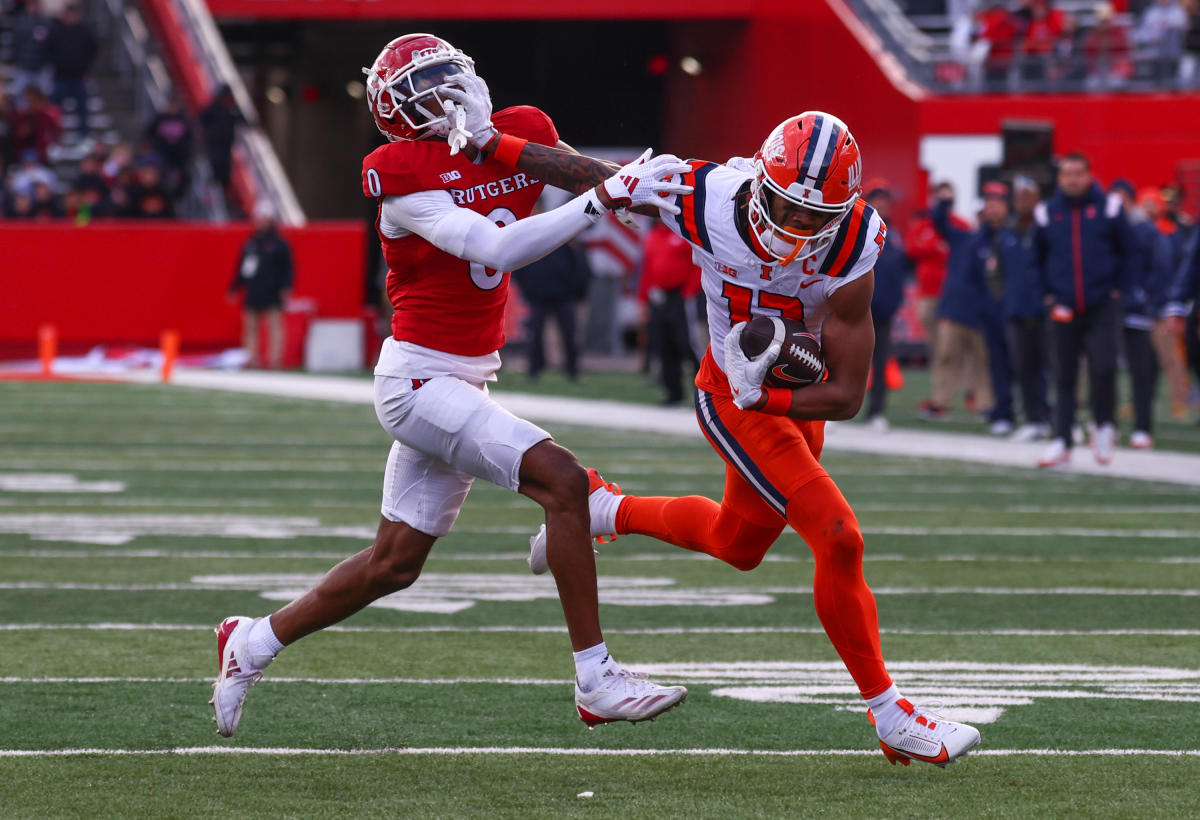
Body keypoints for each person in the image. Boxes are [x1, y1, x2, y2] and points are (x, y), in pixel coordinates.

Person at [209, 34, 692, 738]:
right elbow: (495, 246)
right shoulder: (400, 175)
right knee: (562, 481)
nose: (450, 96)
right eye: (429, 87)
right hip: (420, 379)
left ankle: (251, 642)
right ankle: (597, 678)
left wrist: (619, 184)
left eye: (452, 78)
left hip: (466, 376)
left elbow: (574, 173)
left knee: (393, 566)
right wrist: (601, 202)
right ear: (398, 111)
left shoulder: (515, 133)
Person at [500, 110, 982, 767]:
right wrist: (485, 144)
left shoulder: (855, 244)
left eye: (817, 218)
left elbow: (846, 395)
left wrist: (774, 396)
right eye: (787, 208)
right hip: (729, 396)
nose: (798, 229)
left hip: (789, 398)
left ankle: (607, 508)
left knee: (738, 544)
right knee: (838, 536)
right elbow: (592, 176)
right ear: (758, 183)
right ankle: (891, 715)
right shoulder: (706, 198)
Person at [1035, 153, 1137, 467]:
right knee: (1064, 375)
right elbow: (1037, 258)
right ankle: (1061, 440)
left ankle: (1104, 426)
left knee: (1104, 367)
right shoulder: (1047, 212)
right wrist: (1048, 293)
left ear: (1090, 175)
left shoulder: (1110, 207)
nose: (1072, 179)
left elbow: (1130, 252)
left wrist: (1121, 291)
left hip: (1103, 303)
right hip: (1064, 305)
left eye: (1078, 173)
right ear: (1060, 177)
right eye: (1066, 174)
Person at [919, 185, 993, 422]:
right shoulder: (964, 238)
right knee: (945, 356)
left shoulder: (999, 242)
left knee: (982, 360)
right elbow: (940, 223)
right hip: (954, 309)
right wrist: (944, 202)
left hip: (982, 312)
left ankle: (985, 405)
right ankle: (941, 402)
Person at [1004, 177, 1052, 441]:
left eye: (1029, 197)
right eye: (1020, 197)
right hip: (1016, 311)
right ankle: (1034, 419)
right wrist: (1005, 298)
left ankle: (1062, 419)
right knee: (1025, 369)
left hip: (1044, 312)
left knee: (1056, 369)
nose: (1023, 202)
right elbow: (996, 272)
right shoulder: (1008, 233)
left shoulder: (1046, 230)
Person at [512, 223, 591, 382]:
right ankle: (534, 370)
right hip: (538, 297)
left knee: (569, 334)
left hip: (563, 296)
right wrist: (528, 289)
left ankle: (573, 370)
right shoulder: (532, 243)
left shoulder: (564, 241)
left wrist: (574, 291)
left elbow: (579, 267)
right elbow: (519, 268)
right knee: (535, 335)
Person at [862, 184, 911, 431]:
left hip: (884, 311)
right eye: (878, 200)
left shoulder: (895, 234)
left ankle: (876, 411)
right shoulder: (858, 229)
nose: (882, 205)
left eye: (885, 200)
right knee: (842, 361)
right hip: (858, 310)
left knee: (881, 364)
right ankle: (829, 413)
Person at [638, 221, 702, 405]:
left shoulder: (683, 233)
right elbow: (647, 270)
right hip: (658, 296)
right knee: (663, 344)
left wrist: (689, 291)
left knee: (687, 343)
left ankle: (702, 394)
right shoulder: (652, 236)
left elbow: (698, 264)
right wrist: (642, 300)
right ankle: (673, 393)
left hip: (680, 296)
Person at [907, 182, 959, 365]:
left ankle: (956, 388)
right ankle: (942, 392)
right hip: (928, 293)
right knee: (936, 346)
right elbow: (912, 248)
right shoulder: (923, 225)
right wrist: (936, 248)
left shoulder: (959, 224)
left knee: (951, 347)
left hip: (952, 293)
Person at [43, 4, 97, 138]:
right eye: (68, 15)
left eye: (73, 15)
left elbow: (94, 49)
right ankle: (54, 137)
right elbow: (47, 49)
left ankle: (83, 137)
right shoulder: (56, 30)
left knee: (82, 109)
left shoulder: (84, 31)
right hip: (60, 77)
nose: (71, 18)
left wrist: (86, 66)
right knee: (54, 111)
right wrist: (55, 63)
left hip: (78, 77)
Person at [145, 95, 194, 203]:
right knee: (159, 176)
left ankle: (177, 199)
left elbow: (190, 138)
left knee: (184, 177)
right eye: (171, 105)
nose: (173, 108)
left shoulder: (184, 120)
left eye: (175, 105)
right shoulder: (160, 118)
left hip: (179, 157)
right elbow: (148, 133)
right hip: (162, 155)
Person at [200, 84, 245, 195]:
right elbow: (202, 119)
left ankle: (223, 185)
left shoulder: (232, 108)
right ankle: (214, 182)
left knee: (225, 165)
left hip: (227, 142)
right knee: (215, 161)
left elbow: (242, 120)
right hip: (214, 141)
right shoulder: (214, 107)